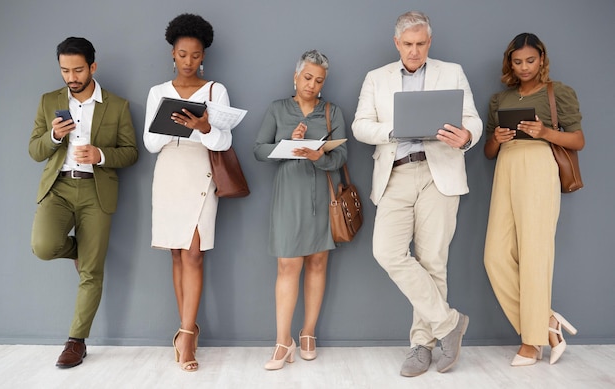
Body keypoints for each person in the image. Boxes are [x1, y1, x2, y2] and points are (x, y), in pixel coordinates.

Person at [352, 11, 482, 377]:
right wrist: (395, 130)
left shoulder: (451, 71)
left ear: (429, 42)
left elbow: (472, 119)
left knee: (433, 261)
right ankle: (449, 324)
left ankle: (422, 347)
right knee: (387, 252)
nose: (414, 51)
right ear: (397, 43)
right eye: (407, 44)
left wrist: (467, 136)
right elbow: (360, 125)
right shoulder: (376, 78)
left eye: (421, 44)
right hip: (396, 172)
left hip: (439, 170)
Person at [29, 37, 138, 368]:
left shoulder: (117, 105)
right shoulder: (49, 101)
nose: (71, 77)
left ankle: (76, 341)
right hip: (59, 188)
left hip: (96, 191)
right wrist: (54, 137)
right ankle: (83, 248)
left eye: (78, 69)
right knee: (43, 247)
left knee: (92, 271)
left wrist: (100, 154)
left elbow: (131, 152)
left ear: (92, 66)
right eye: (65, 70)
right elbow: (34, 151)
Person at [483, 33, 583, 366]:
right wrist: (497, 139)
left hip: (540, 167)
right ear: (509, 63)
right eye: (517, 61)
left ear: (541, 59)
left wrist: (545, 133)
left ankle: (531, 342)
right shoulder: (500, 100)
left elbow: (578, 140)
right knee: (495, 256)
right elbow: (488, 152)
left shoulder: (559, 93)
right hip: (506, 166)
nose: (524, 67)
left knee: (535, 254)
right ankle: (546, 322)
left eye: (530, 60)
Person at [143, 13, 232, 372]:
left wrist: (204, 127)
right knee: (177, 255)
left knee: (194, 253)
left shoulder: (215, 91)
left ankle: (187, 336)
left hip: (201, 172)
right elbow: (150, 143)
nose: (189, 61)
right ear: (172, 54)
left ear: (203, 56)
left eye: (195, 55)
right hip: (168, 172)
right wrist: (177, 125)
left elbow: (224, 140)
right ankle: (186, 329)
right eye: (183, 54)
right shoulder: (157, 92)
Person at [254, 50, 347, 370]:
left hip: (322, 194)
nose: (312, 84)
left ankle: (308, 333)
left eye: (318, 80)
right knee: (287, 266)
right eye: (307, 77)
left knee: (318, 263)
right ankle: (283, 341)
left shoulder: (332, 111)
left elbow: (341, 157)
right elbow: (259, 150)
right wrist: (288, 145)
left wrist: (317, 156)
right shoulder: (278, 109)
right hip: (288, 195)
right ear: (295, 77)